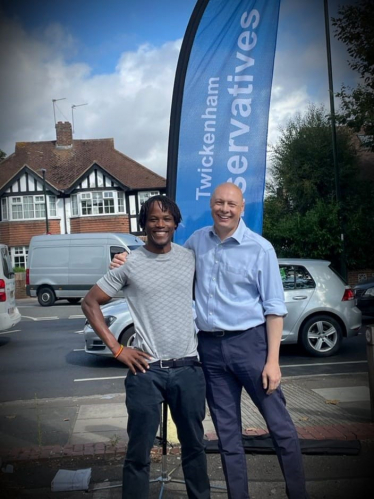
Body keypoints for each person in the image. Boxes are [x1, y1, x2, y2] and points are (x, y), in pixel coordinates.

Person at [111, 183, 308, 499]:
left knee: (280, 428)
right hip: (210, 352)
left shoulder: (260, 249)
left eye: (231, 203)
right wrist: (126, 258)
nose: (225, 209)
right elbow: (162, 254)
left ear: (242, 208)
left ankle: (299, 494)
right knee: (228, 437)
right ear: (211, 205)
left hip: (251, 346)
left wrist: (273, 361)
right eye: (219, 202)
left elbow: (274, 309)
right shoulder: (196, 242)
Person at [82, 195, 210, 499]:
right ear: (144, 224)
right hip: (145, 372)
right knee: (139, 453)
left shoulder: (189, 257)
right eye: (153, 219)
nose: (160, 225)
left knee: (195, 447)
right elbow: (90, 303)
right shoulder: (130, 263)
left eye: (166, 219)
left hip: (188, 369)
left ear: (176, 223)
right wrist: (117, 349)